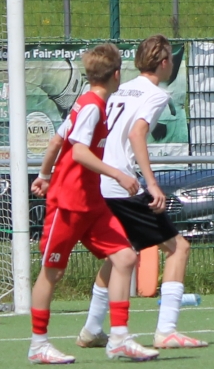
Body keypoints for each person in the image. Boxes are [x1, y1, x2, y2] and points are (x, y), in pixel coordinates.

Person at [28, 43, 155, 364]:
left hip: (91, 202)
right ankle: (38, 344)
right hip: (68, 203)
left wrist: (44, 174)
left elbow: (57, 140)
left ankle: (119, 338)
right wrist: (118, 174)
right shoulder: (91, 107)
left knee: (125, 257)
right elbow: (79, 152)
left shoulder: (88, 103)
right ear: (117, 75)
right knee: (52, 272)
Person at [79, 35, 204, 350]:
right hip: (123, 185)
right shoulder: (156, 94)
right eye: (170, 58)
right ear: (164, 63)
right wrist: (152, 183)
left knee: (120, 253)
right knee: (178, 248)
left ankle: (92, 329)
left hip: (101, 180)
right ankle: (166, 331)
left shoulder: (121, 88)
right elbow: (137, 134)